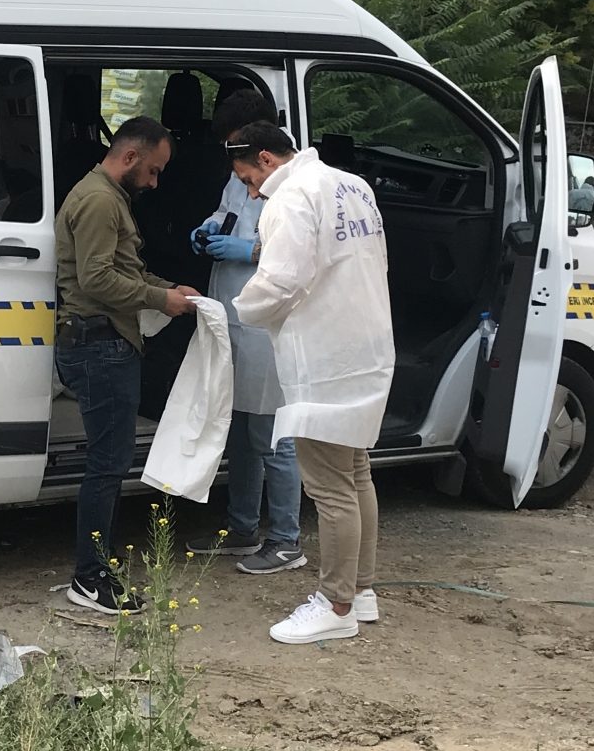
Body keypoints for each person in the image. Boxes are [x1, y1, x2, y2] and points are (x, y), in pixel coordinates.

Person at [230, 122, 395, 645]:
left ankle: (336, 603)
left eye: (249, 180)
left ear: (266, 159)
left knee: (329, 487)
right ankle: (362, 592)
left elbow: (283, 279)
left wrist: (235, 310)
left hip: (325, 358)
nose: (253, 193)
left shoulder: (291, 197)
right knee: (356, 473)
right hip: (366, 350)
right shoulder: (354, 185)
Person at [55, 115, 201, 614]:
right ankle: (90, 579)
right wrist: (161, 300)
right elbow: (97, 281)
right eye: (155, 171)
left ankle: (96, 568)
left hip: (103, 342)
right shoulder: (99, 201)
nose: (156, 182)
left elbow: (126, 269)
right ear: (131, 156)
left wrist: (168, 288)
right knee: (107, 468)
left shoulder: (108, 197)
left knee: (108, 465)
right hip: (99, 344)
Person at [184, 90, 305, 575]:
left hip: (269, 320)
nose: (233, 154)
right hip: (233, 312)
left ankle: (285, 537)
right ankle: (241, 527)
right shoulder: (243, 174)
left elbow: (295, 254)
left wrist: (248, 251)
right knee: (240, 425)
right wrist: (209, 229)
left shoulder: (294, 185)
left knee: (273, 433)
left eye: (238, 144)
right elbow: (229, 210)